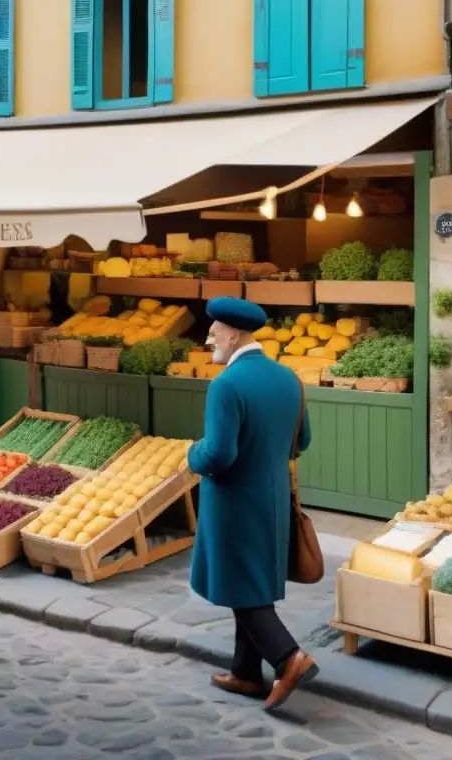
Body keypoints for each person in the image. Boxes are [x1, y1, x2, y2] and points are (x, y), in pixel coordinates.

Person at [186, 296, 315, 712]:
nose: (208, 341)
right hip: (274, 497)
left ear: (231, 334)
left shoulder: (226, 384)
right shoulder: (288, 377)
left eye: (211, 333)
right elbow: (303, 441)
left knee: (240, 586)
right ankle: (245, 672)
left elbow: (219, 455)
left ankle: (287, 657)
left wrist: (192, 454)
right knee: (252, 580)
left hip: (233, 500)